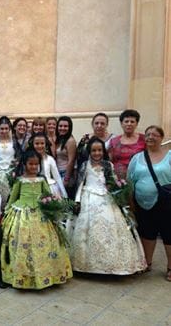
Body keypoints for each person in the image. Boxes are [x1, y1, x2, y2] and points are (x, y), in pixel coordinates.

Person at [71, 137, 146, 274]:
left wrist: (119, 192)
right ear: (89, 152)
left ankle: (112, 263)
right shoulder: (84, 166)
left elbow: (113, 182)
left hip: (106, 197)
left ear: (103, 151)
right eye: (93, 150)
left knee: (111, 225)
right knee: (88, 229)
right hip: (89, 198)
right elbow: (80, 184)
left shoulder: (108, 165)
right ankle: (86, 265)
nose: (97, 153)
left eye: (99, 150)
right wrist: (78, 201)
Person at [1, 149, 72, 289]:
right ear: (25, 164)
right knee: (22, 243)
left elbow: (47, 195)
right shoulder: (19, 180)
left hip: (41, 215)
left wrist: (52, 206)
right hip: (21, 214)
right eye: (30, 164)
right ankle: (22, 274)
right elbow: (13, 198)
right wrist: (6, 212)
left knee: (44, 243)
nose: (33, 167)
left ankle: (46, 273)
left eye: (36, 164)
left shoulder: (41, 180)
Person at [128, 125, 171, 281]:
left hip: (166, 202)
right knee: (147, 232)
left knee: (168, 234)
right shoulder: (137, 158)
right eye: (148, 134)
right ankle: (147, 262)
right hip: (143, 203)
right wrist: (131, 202)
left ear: (161, 138)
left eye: (154, 134)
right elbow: (130, 181)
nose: (151, 137)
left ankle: (170, 267)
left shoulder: (169, 156)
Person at [109, 109, 145, 180]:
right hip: (118, 180)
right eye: (126, 121)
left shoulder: (144, 139)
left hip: (139, 178)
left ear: (136, 124)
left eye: (132, 122)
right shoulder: (114, 141)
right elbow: (110, 161)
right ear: (121, 123)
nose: (129, 124)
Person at [30, 133, 67, 198]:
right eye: (37, 143)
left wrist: (64, 195)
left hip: (49, 188)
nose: (39, 146)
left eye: (42, 143)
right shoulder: (29, 159)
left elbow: (57, 177)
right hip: (33, 188)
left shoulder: (50, 159)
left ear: (46, 144)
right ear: (32, 145)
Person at [55, 116, 77, 197]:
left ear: (70, 127)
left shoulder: (70, 141)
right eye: (60, 126)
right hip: (58, 173)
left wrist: (66, 179)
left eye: (65, 126)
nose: (62, 128)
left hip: (65, 174)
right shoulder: (59, 139)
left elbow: (71, 161)